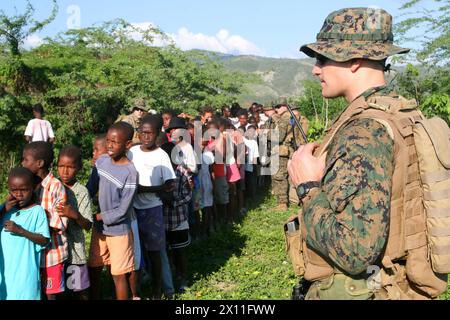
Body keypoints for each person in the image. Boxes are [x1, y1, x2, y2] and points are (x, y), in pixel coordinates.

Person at [287, 7, 446, 300]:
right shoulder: (404, 113)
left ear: (356, 60)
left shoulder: (365, 131)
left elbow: (355, 252)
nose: (315, 69)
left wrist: (307, 186)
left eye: (323, 58)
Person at [128, 115, 176, 300]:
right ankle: (137, 290)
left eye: (150, 133)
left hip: (152, 209)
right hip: (132, 209)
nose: (145, 136)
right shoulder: (132, 152)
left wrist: (144, 190)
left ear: (157, 134)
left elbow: (169, 184)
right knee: (135, 253)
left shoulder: (161, 155)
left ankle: (159, 290)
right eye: (142, 132)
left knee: (156, 252)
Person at [88, 122, 137, 300]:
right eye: (108, 141)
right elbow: (90, 189)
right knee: (94, 266)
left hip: (118, 232)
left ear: (127, 144)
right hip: (99, 229)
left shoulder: (130, 172)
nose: (109, 145)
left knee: (118, 275)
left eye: (114, 142)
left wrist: (100, 216)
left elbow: (124, 209)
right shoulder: (101, 162)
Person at [21, 141, 68, 300]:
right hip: (32, 254)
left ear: (39, 163)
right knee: (36, 292)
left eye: (25, 160)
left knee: (51, 294)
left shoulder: (55, 186)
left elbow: (59, 223)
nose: (22, 163)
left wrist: (32, 230)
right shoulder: (28, 186)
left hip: (52, 254)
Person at [0, 168, 50, 300]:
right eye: (14, 190)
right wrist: (4, 209)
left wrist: (21, 231)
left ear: (33, 188)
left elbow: (44, 240)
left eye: (24, 190)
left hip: (25, 278)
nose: (19, 195)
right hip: (4, 277)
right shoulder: (4, 210)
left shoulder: (37, 211)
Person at [56, 146, 93, 300]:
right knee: (58, 290)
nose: (65, 172)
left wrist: (75, 215)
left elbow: (88, 225)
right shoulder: (52, 187)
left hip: (74, 252)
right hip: (55, 251)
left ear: (78, 168)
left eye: (70, 167)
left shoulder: (81, 191)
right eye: (61, 166)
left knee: (78, 290)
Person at [160, 142, 192, 293]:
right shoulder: (159, 173)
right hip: (161, 220)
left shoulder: (182, 172)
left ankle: (183, 278)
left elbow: (188, 195)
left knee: (180, 252)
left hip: (178, 219)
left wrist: (173, 202)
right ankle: (171, 277)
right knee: (166, 253)